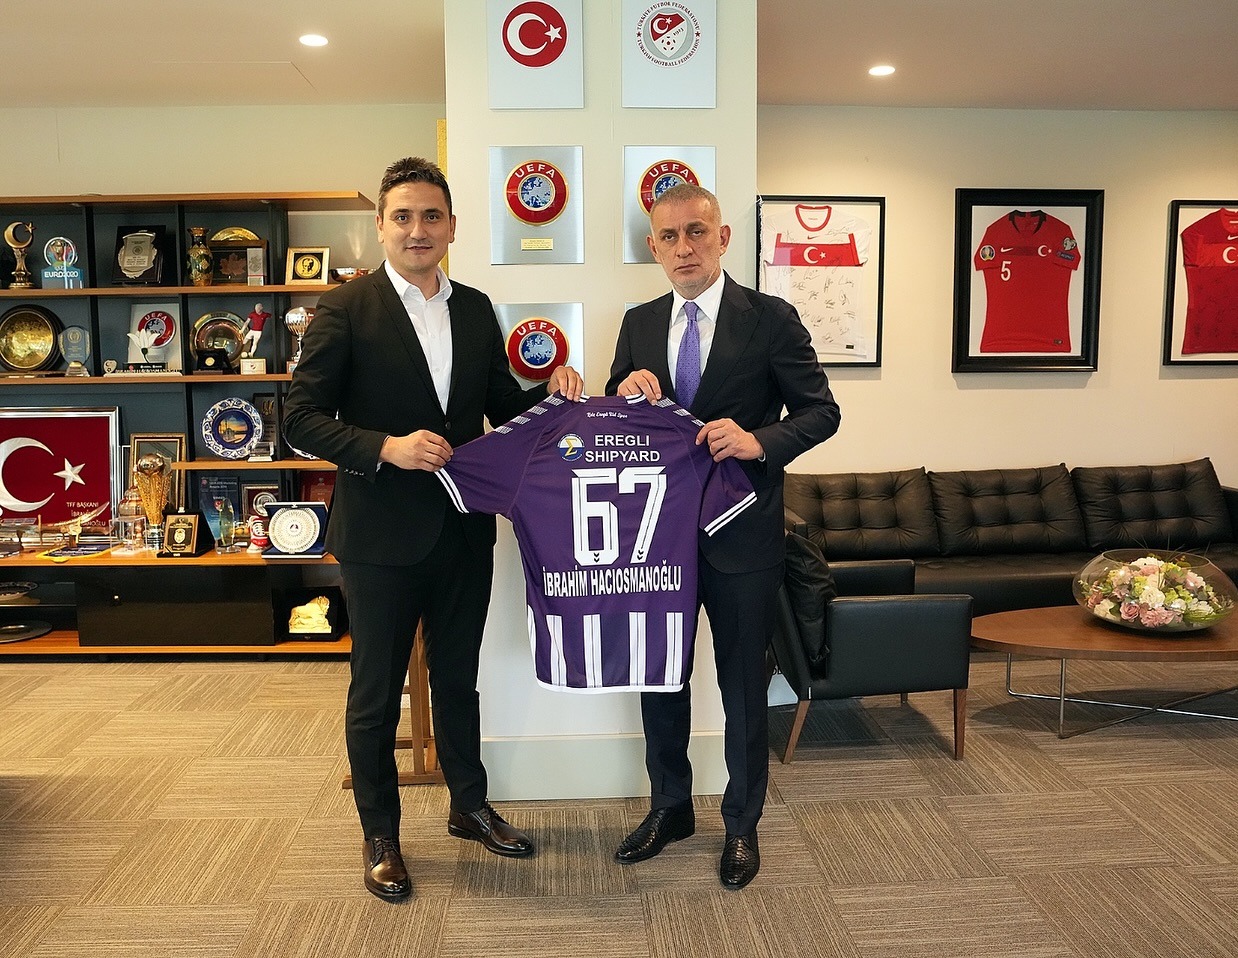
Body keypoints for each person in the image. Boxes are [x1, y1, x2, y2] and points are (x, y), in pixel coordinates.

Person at [283, 156, 583, 902]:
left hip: (462, 530)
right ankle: (381, 833)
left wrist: (555, 398)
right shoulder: (344, 309)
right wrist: (386, 447)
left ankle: (468, 806)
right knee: (376, 692)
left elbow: (500, 410)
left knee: (457, 681)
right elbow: (300, 418)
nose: (418, 229)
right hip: (380, 537)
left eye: (431, 216)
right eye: (403, 217)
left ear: (452, 226)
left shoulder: (475, 308)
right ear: (381, 226)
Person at [606, 183, 840, 889]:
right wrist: (624, 392)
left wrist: (758, 440)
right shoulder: (639, 322)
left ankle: (742, 825)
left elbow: (821, 412)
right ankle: (671, 807)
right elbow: (620, 418)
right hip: (657, 539)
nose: (684, 248)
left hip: (742, 536)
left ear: (723, 237)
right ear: (654, 247)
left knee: (741, 684)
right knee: (659, 678)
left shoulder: (770, 319)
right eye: (669, 236)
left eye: (697, 232)